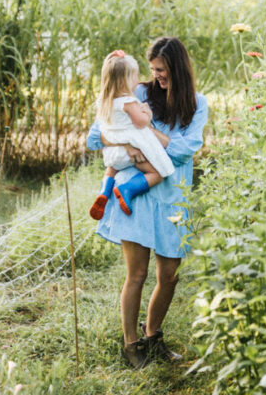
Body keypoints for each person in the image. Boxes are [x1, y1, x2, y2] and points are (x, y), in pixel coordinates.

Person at [86, 37, 208, 368]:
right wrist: (129, 145)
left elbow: (185, 149)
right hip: (135, 196)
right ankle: (131, 345)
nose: (157, 77)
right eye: (153, 70)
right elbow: (96, 136)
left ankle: (153, 335)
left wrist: (147, 131)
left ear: (179, 69)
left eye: (163, 71)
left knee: (169, 276)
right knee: (137, 274)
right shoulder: (137, 94)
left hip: (173, 201)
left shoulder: (198, 104)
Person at [89, 49, 175, 221]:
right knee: (158, 173)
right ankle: (127, 189)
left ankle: (104, 193)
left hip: (113, 155)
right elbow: (140, 123)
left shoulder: (104, 102)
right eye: (135, 76)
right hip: (133, 153)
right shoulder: (128, 102)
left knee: (111, 171)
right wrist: (147, 114)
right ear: (125, 81)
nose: (138, 80)